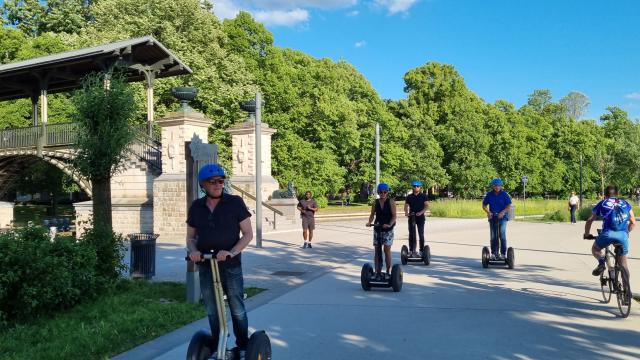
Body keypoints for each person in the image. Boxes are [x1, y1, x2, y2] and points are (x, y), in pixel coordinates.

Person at [186, 164, 253, 358]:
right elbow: (190, 238)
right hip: (206, 265)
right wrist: (194, 251)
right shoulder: (197, 207)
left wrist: (231, 251)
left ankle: (242, 346)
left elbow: (247, 234)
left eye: (221, 181)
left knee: (236, 307)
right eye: (212, 182)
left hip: (230, 265)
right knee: (212, 309)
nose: (218, 185)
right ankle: (217, 346)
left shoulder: (235, 202)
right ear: (203, 185)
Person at [584, 185, 635, 283]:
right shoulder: (626, 203)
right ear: (617, 194)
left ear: (605, 195)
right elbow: (633, 222)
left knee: (595, 248)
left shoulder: (602, 203)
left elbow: (589, 221)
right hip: (623, 236)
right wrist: (626, 233)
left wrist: (587, 234)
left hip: (608, 234)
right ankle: (627, 291)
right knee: (623, 264)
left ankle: (601, 263)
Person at [366, 183, 397, 280]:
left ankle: (388, 271)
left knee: (386, 250)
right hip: (377, 228)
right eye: (380, 192)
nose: (383, 194)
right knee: (377, 251)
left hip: (388, 229)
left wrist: (390, 224)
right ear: (378, 192)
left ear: (387, 192)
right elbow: (372, 214)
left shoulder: (391, 202)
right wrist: (369, 222)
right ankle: (377, 271)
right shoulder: (375, 202)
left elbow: (394, 216)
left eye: (385, 192)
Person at [482, 178, 512, 260]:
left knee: (502, 235)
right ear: (493, 186)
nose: (497, 187)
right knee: (493, 236)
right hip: (493, 217)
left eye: (498, 185)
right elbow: (484, 205)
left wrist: (503, 212)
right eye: (495, 185)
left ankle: (502, 253)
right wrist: (488, 212)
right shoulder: (489, 195)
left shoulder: (504, 195)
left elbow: (509, 205)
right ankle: (494, 253)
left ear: (501, 186)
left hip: (503, 218)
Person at [404, 180, 429, 257]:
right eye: (414, 186)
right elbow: (406, 206)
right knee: (411, 234)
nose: (416, 188)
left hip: (420, 217)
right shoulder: (409, 197)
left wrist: (421, 212)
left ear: (420, 187)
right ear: (412, 187)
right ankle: (411, 251)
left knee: (421, 234)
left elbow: (427, 206)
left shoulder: (423, 196)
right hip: (412, 217)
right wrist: (406, 212)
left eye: (417, 186)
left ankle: (421, 251)